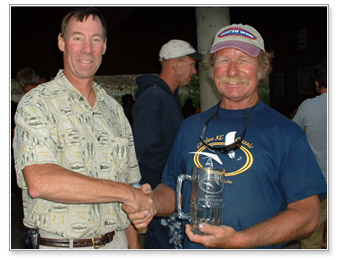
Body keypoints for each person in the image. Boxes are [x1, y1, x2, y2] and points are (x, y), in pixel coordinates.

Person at [127, 23, 327, 249]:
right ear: (212, 69)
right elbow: (172, 190)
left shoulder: (286, 133)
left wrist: (239, 241)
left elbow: (307, 216)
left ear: (262, 67)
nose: (233, 71)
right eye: (223, 60)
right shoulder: (189, 128)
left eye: (244, 60)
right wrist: (150, 202)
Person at [13, 7, 153, 249]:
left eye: (95, 39)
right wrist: (127, 193)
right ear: (61, 42)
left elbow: (129, 184)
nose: (87, 49)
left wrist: (134, 247)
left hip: (116, 242)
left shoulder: (114, 110)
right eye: (78, 37)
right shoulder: (37, 103)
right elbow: (40, 181)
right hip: (61, 246)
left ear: (105, 46)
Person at [131, 39, 202, 249]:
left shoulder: (166, 96)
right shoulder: (153, 97)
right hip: (160, 192)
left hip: (171, 191)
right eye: (191, 64)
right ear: (175, 63)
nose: (195, 71)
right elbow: (144, 150)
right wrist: (169, 182)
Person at [292, 58, 327, 249]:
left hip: (319, 184)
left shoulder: (308, 106)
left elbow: (291, 134)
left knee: (311, 239)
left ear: (316, 83)